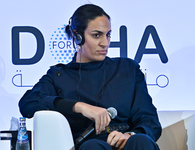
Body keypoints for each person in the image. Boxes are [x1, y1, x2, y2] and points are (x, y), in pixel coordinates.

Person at [19, 4, 162, 150]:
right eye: (96, 35)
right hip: (91, 144)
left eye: (108, 35)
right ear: (78, 36)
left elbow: (149, 120)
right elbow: (28, 103)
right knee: (92, 147)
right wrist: (79, 107)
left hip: (129, 143)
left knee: (141, 141)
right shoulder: (60, 75)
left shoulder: (128, 69)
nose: (105, 43)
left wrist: (129, 135)